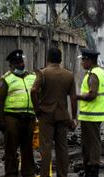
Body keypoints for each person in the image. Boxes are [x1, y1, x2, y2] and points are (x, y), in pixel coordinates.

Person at [30, 48, 78, 177]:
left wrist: (37, 109)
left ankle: (45, 174)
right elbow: (73, 97)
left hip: (46, 115)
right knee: (62, 147)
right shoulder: (69, 75)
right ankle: (62, 174)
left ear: (48, 58)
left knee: (45, 147)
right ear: (60, 59)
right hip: (63, 116)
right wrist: (74, 117)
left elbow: (33, 90)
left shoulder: (43, 73)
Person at [0, 49, 36, 177]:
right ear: (11, 65)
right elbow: (0, 100)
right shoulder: (5, 79)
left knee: (27, 149)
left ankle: (28, 173)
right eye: (16, 63)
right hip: (12, 119)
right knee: (11, 149)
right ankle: (11, 173)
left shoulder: (32, 77)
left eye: (21, 61)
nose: (20, 64)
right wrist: (1, 120)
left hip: (29, 118)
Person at [77, 48, 104, 177]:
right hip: (95, 113)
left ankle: (92, 168)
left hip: (91, 114)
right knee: (91, 142)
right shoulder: (100, 72)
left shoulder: (94, 74)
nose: (81, 63)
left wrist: (76, 96)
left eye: (83, 60)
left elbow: (92, 94)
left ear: (89, 60)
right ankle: (91, 167)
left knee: (92, 143)